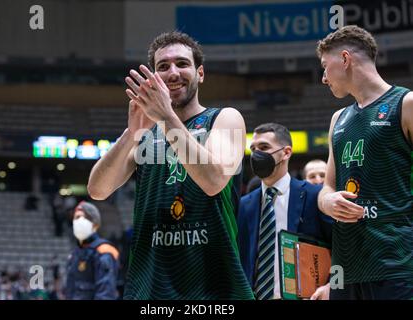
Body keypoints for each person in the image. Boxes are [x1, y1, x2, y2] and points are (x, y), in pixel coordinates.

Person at [87, 31, 253, 299]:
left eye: (182, 64)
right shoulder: (144, 134)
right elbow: (97, 190)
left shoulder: (225, 118)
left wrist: (165, 117)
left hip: (214, 289)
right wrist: (131, 133)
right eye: (162, 67)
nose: (173, 73)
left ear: (200, 73)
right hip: (150, 289)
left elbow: (213, 182)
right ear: (153, 79)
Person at [316, 25, 413, 299]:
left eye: (325, 67)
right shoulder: (338, 119)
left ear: (345, 59)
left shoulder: (406, 104)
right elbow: (326, 187)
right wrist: (328, 202)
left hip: (397, 266)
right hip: (346, 269)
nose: (323, 78)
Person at [237, 123, 332, 300]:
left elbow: (343, 246)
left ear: (286, 152)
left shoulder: (315, 196)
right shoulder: (244, 205)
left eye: (264, 147)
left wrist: (333, 286)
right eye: (253, 148)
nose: (257, 154)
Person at [65, 201, 119, 300]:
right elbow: (70, 291)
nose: (79, 221)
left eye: (85, 218)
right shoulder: (74, 254)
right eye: (76, 218)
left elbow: (105, 294)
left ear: (95, 224)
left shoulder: (104, 250)